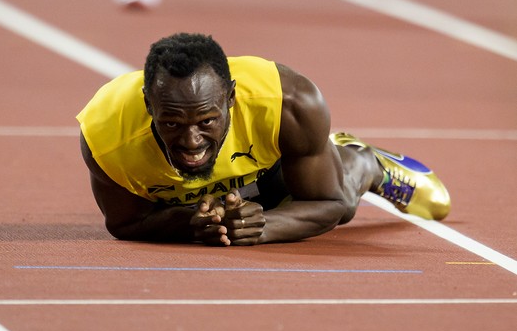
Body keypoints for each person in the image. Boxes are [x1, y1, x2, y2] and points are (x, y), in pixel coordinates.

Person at [76, 33, 450, 246]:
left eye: (206, 120)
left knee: (346, 205)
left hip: (265, 166)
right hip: (189, 198)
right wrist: (192, 224)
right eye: (171, 123)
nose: (191, 141)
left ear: (232, 99)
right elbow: (125, 225)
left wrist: (262, 226)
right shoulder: (105, 133)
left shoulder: (289, 102)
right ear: (148, 104)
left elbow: (328, 203)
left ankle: (365, 161)